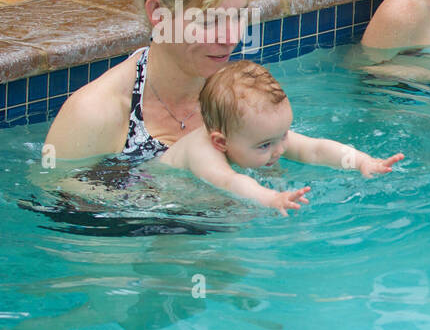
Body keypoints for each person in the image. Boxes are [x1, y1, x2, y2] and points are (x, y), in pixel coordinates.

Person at [44, 0, 254, 167]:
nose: (231, 37)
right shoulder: (93, 115)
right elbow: (57, 200)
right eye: (208, 20)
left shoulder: (240, 98)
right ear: (157, 12)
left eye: (238, 16)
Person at [158, 61, 403, 215]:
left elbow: (315, 149)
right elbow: (230, 183)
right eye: (265, 145)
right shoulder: (203, 153)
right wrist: (270, 198)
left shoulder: (266, 136)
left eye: (283, 135)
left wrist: (361, 161)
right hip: (154, 198)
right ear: (221, 142)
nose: (279, 150)